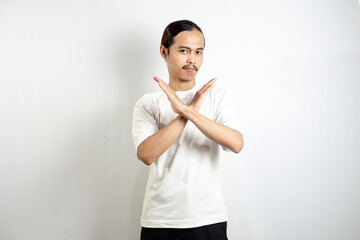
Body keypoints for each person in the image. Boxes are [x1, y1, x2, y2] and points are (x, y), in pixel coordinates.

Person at [132, 20, 244, 240]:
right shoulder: (148, 103)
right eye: (184, 51)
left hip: (209, 218)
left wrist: (189, 111)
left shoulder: (216, 97)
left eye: (198, 52)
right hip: (160, 220)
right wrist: (185, 113)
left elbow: (236, 144)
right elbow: (146, 154)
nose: (192, 59)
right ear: (164, 52)